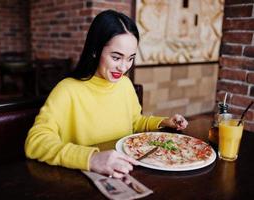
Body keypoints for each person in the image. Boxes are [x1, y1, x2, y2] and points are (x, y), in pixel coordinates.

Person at [25, 10, 188, 178]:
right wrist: (91, 158)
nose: (124, 68)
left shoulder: (124, 84)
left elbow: (135, 122)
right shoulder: (67, 90)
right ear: (95, 50)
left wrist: (163, 122)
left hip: (124, 170)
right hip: (81, 178)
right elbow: (36, 142)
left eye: (130, 58)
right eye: (116, 58)